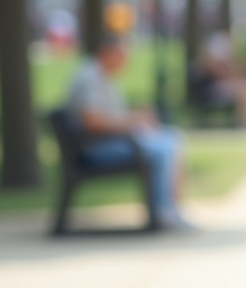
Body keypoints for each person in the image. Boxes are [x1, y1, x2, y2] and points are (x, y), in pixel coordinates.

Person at [66, 35, 194, 229]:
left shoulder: (102, 75)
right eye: (123, 56)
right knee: (165, 147)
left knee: (172, 137)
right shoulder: (90, 76)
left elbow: (108, 117)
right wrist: (133, 122)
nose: (126, 62)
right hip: (95, 149)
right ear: (108, 53)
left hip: (110, 142)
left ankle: (169, 208)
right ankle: (164, 211)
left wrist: (136, 118)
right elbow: (92, 122)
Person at [191, 29, 246, 125]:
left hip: (223, 85)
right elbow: (216, 72)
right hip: (212, 89)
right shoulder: (209, 61)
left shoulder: (226, 58)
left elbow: (239, 70)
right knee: (244, 92)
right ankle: (243, 121)